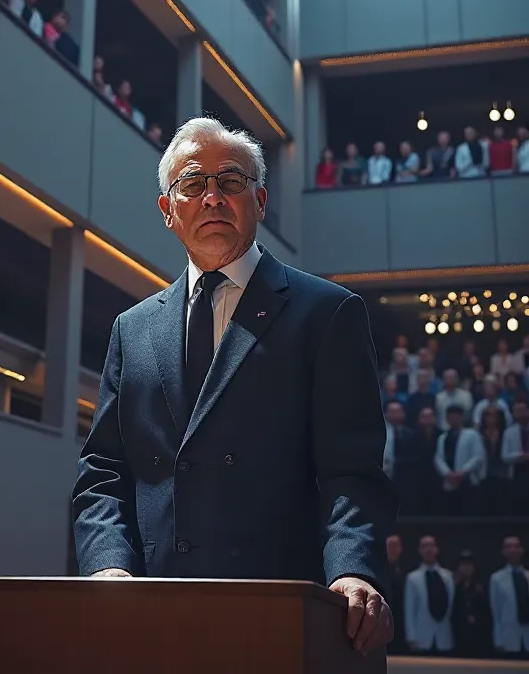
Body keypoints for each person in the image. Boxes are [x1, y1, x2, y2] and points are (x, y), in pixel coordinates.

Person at [73, 117, 396, 656]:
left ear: (260, 199)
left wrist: (353, 570)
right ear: (167, 210)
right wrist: (108, 564)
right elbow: (103, 471)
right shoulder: (132, 329)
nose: (212, 198)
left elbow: (352, 471)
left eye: (231, 181)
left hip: (280, 612)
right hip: (151, 617)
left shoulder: (329, 313)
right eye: (193, 184)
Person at [405, 535, 454, 654]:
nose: (428, 549)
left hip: (444, 636)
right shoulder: (413, 578)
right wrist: (411, 637)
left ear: (437, 549)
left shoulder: (447, 576)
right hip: (422, 637)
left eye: (431, 545)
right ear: (420, 551)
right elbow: (410, 610)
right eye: (424, 546)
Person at [434, 405, 485, 515]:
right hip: (450, 481)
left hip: (468, 481)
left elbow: (478, 456)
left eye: (456, 417)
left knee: (469, 513)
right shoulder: (442, 438)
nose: (453, 419)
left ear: (461, 417)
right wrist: (447, 473)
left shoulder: (472, 434)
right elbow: (438, 458)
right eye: (451, 417)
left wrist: (462, 472)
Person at [489, 536, 529, 658]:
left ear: (522, 550)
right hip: (508, 636)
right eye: (509, 546)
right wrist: (498, 639)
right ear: (504, 552)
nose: (513, 550)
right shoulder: (497, 578)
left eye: (516, 546)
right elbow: (496, 611)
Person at [452, 549, 492, 658]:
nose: (466, 568)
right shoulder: (453, 587)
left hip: (478, 635)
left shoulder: (482, 586)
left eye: (469, 565)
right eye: (463, 565)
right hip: (459, 634)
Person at [478, 405, 511, 516]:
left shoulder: (506, 434)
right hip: (484, 475)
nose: (491, 418)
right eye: (487, 415)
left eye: (494, 415)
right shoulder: (478, 434)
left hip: (502, 475)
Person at [413, 407, 443, 514]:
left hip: (437, 474)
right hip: (418, 474)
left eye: (429, 416)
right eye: (424, 416)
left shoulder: (441, 434)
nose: (427, 419)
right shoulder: (412, 435)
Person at [502, 400, 529, 516]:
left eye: (522, 411)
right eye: (516, 411)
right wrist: (520, 456)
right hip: (517, 471)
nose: (520, 414)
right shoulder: (509, 432)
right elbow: (505, 456)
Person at [387, 535, 407, 654]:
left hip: (400, 626)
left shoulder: (406, 573)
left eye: (396, 546)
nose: (393, 550)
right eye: (390, 546)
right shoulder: (375, 571)